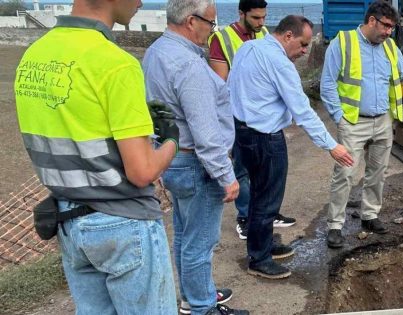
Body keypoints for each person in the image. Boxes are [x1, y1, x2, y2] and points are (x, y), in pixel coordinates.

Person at [13, 0, 178, 313]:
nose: (142, 1)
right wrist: (171, 138)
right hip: (123, 223)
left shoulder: (34, 55)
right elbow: (142, 172)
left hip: (68, 221)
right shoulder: (116, 64)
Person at [229, 15, 354, 279]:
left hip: (242, 132)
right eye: (303, 44)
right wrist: (331, 146)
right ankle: (259, 258)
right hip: (266, 137)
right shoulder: (280, 64)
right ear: (288, 36)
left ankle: (261, 243)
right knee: (267, 198)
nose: (305, 51)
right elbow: (303, 111)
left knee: (257, 194)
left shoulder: (248, 48)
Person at [141, 0, 246, 314]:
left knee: (185, 235)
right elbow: (205, 130)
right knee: (200, 242)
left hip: (171, 157)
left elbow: (158, 113)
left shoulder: (155, 52)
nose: (213, 31)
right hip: (195, 163)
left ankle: (193, 296)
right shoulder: (187, 64)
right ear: (191, 21)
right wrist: (226, 176)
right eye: (211, 24)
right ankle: (203, 307)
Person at [320, 1, 403, 248]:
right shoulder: (343, 42)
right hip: (354, 122)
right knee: (345, 174)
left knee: (378, 172)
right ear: (371, 21)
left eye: (392, 27)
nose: (390, 31)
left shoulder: (389, 47)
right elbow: (327, 84)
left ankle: (370, 215)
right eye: (386, 26)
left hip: (382, 121)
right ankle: (335, 225)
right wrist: (340, 117)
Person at [208, 0, 292, 241]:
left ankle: (265, 213)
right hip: (237, 117)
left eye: (264, 17)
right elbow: (219, 85)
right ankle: (245, 217)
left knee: (264, 169)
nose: (261, 23)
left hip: (262, 117)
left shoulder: (263, 34)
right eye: (256, 18)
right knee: (242, 169)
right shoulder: (222, 39)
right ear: (241, 13)